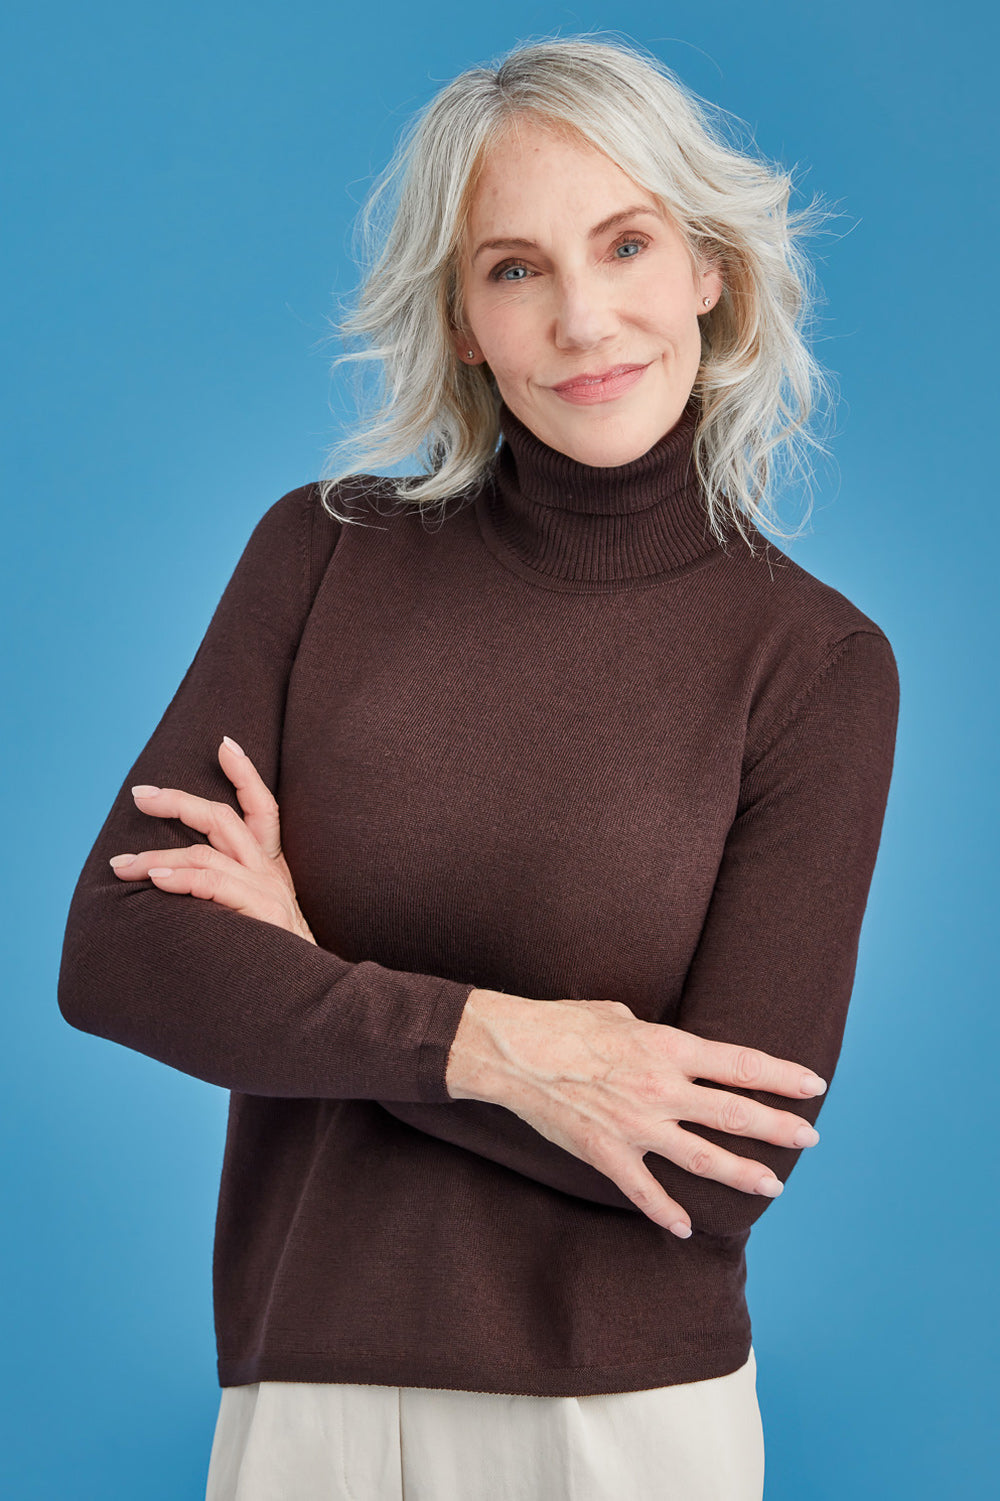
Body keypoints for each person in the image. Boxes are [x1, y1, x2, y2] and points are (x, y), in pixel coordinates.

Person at [57, 34, 899, 1501]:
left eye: (626, 244)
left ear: (708, 267)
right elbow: (120, 952)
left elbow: (710, 1165)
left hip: (622, 1423)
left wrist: (303, 975)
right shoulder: (323, 552)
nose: (583, 318)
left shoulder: (814, 665)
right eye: (516, 269)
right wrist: (497, 1046)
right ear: (460, 318)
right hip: (305, 1394)